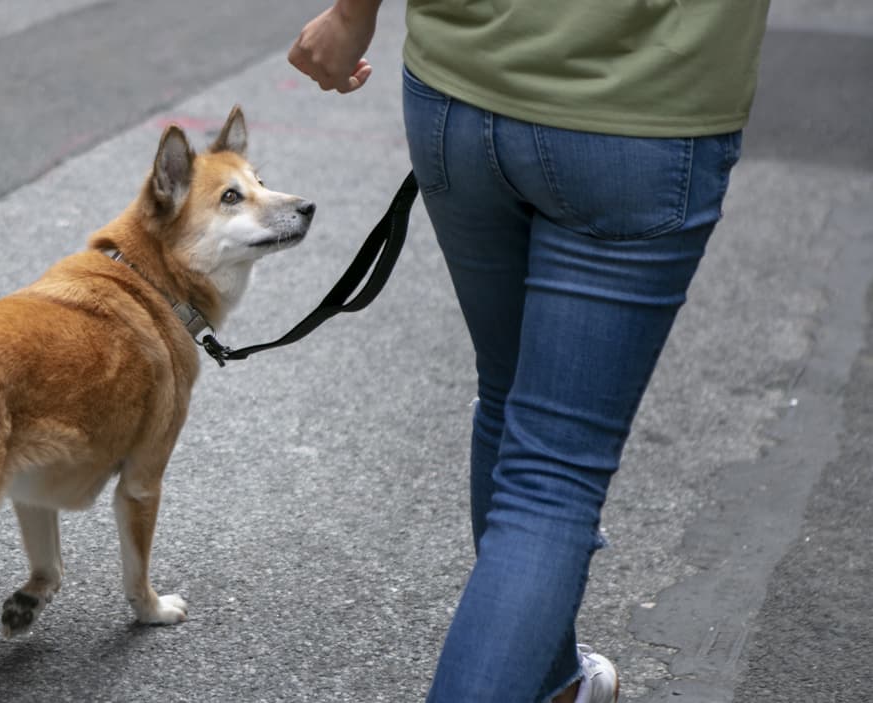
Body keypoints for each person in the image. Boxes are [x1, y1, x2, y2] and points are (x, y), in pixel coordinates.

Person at [288, 1, 771, 701]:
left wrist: (354, 12)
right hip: (638, 105)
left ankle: (552, 683)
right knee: (552, 475)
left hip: (460, 89)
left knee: (512, 398)